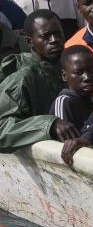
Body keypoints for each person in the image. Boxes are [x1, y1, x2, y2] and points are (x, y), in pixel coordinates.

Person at [0, 10, 75, 152]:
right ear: (30, 41)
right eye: (45, 36)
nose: (54, 40)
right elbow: (2, 129)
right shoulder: (22, 79)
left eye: (58, 33)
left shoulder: (71, 64)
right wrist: (48, 125)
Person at [50, 45, 93, 130]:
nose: (87, 77)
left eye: (92, 70)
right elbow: (68, 142)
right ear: (64, 75)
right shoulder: (64, 102)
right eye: (79, 73)